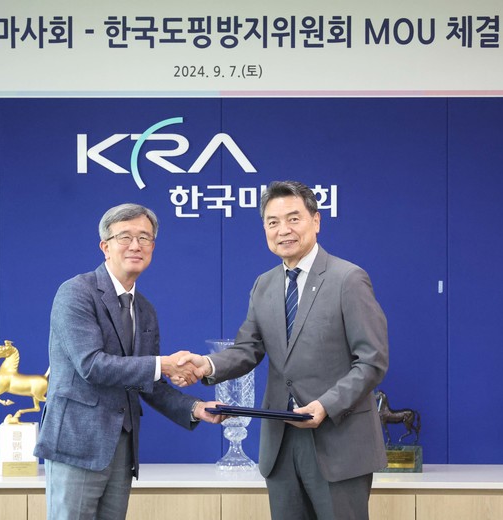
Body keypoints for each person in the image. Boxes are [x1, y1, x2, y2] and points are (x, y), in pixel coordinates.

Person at [177, 181, 389, 520]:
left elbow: (371, 361)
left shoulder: (348, 279)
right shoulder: (264, 284)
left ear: (316, 221)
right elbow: (248, 348)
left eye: (293, 219)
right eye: (272, 222)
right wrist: (205, 365)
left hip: (338, 442)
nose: (283, 230)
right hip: (280, 445)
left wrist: (326, 405)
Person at [34, 203, 224, 520]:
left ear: (153, 247)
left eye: (144, 238)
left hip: (122, 449)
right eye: (125, 237)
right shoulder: (76, 292)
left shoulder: (145, 309)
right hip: (77, 445)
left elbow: (148, 382)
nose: (136, 245)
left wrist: (195, 408)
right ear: (105, 246)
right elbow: (92, 365)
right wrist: (163, 364)